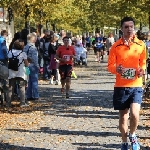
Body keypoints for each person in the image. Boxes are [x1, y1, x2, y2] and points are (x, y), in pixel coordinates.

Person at [107, 17, 146, 150]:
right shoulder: (115, 46)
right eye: (126, 27)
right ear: (121, 29)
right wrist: (116, 69)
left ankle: (133, 134)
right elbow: (110, 66)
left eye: (131, 26)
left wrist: (142, 70)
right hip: (121, 86)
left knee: (135, 114)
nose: (129, 29)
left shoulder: (141, 44)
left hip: (136, 84)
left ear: (134, 28)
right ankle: (124, 141)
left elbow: (143, 63)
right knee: (123, 117)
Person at [7, 39, 29, 107]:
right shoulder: (23, 54)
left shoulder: (10, 52)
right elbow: (26, 64)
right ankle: (22, 103)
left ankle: (8, 103)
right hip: (20, 72)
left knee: (11, 87)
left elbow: (8, 60)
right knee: (21, 87)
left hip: (11, 72)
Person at [23, 33, 40, 101]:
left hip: (26, 65)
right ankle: (36, 95)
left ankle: (28, 95)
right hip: (32, 65)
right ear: (33, 39)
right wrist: (37, 66)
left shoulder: (25, 47)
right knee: (34, 80)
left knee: (28, 80)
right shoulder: (33, 48)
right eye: (35, 38)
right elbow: (34, 58)